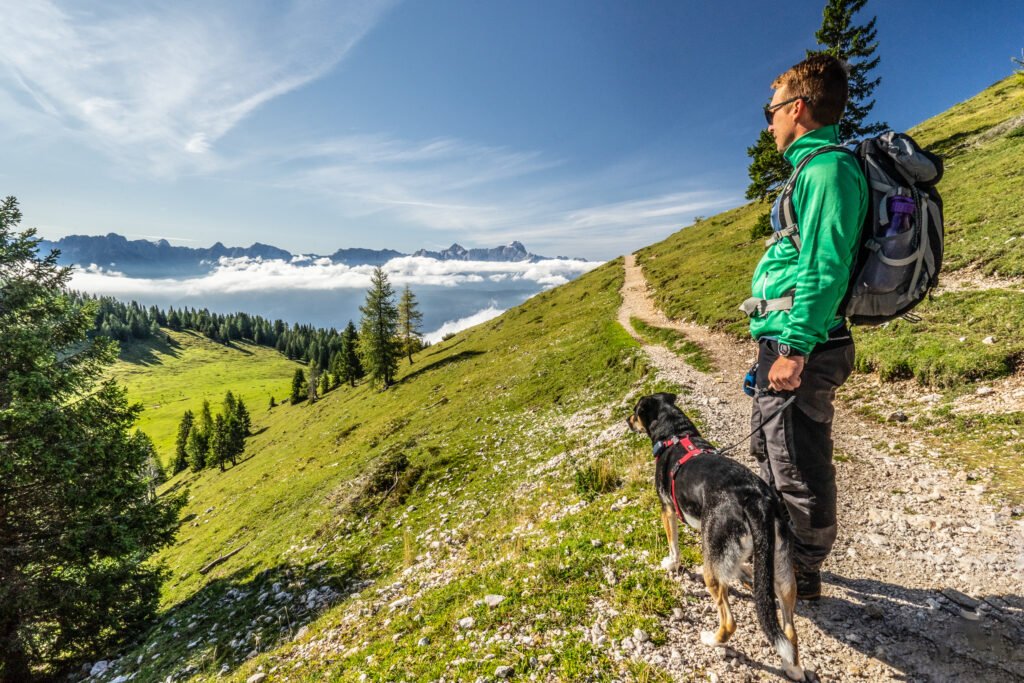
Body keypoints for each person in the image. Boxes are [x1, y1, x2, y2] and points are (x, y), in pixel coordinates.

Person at [743, 54, 868, 600]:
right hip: (786, 338)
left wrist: (794, 346)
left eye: (770, 110)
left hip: (805, 342)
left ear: (797, 108)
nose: (767, 122)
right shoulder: (810, 171)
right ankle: (779, 551)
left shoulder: (828, 170)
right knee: (772, 449)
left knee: (796, 457)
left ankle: (802, 570)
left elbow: (825, 266)